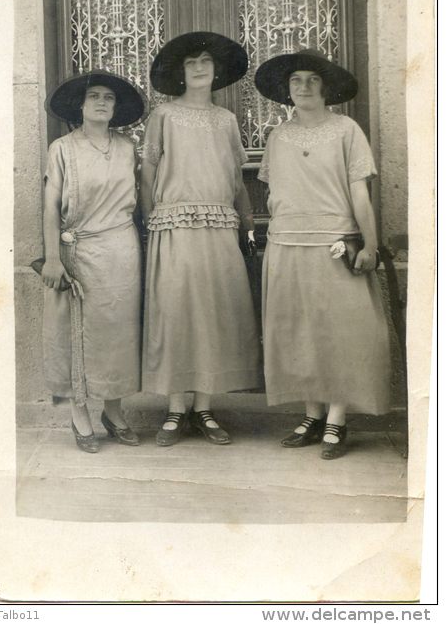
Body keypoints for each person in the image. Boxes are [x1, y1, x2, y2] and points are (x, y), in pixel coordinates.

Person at [255, 49, 391, 459]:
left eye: (313, 80)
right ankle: (311, 415)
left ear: (325, 87)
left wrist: (369, 244)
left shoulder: (346, 129)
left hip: (334, 242)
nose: (304, 87)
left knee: (338, 333)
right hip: (287, 242)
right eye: (296, 81)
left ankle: (336, 418)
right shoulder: (278, 135)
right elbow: (273, 192)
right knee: (299, 332)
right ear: (287, 90)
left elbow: (358, 192)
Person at [140, 31, 261, 446]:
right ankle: (175, 409)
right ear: (181, 71)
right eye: (191, 62)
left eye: (206, 62)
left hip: (219, 227)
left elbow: (237, 179)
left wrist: (247, 225)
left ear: (216, 71)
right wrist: (149, 219)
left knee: (213, 314)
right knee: (175, 312)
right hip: (172, 225)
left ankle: (204, 407)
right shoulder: (164, 116)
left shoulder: (225, 120)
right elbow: (148, 173)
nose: (199, 67)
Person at [42, 70, 148, 453]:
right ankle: (79, 412)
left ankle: (114, 412)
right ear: (80, 106)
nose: (102, 103)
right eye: (95, 97)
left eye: (109, 98)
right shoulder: (63, 148)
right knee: (76, 335)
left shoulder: (126, 148)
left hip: (121, 251)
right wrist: (53, 257)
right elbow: (51, 206)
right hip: (79, 250)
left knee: (119, 333)